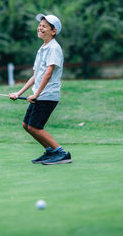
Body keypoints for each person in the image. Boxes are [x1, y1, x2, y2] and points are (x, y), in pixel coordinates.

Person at [9, 13, 72, 165]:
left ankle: (62, 153)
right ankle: (50, 151)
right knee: (26, 125)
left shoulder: (54, 48)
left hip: (48, 95)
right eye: (40, 25)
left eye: (44, 26)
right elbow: (36, 75)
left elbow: (48, 73)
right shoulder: (42, 48)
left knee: (35, 126)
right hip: (40, 95)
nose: (40, 28)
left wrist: (36, 94)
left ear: (53, 31)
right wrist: (19, 93)